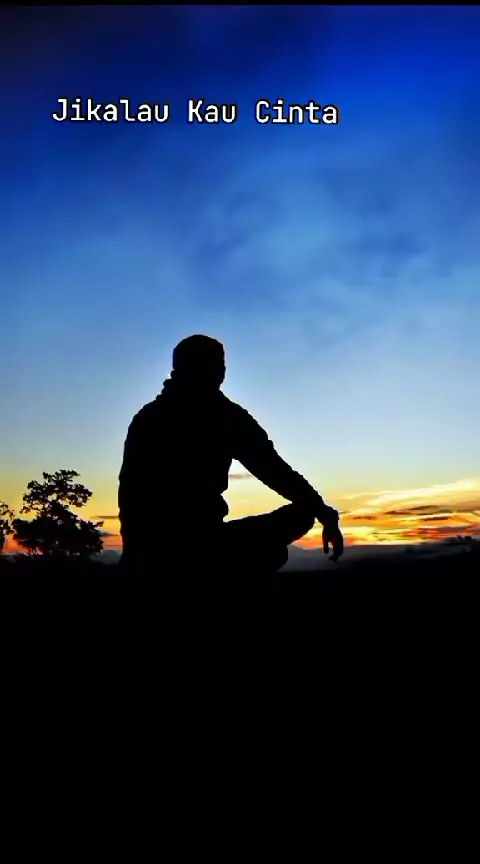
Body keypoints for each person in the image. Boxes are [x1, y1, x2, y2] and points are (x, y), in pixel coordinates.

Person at [118, 334, 343, 574]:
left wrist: (323, 513)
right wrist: (324, 514)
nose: (219, 372)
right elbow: (275, 470)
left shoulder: (150, 417)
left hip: (162, 548)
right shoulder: (222, 417)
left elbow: (275, 470)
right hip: (192, 547)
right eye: (213, 365)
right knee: (277, 546)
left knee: (294, 525)